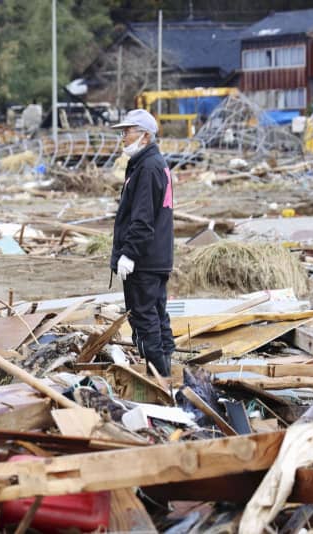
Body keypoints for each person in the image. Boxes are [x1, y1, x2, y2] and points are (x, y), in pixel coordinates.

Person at [110, 109, 175, 377]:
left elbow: (143, 217)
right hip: (156, 257)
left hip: (145, 260)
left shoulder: (148, 167)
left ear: (145, 136)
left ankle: (159, 381)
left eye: (128, 132)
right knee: (157, 317)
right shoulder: (150, 163)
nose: (123, 138)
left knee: (145, 319)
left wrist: (129, 254)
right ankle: (168, 376)